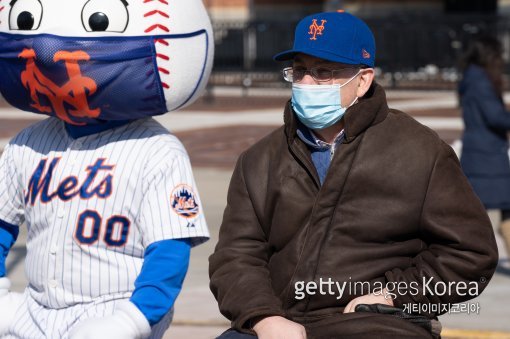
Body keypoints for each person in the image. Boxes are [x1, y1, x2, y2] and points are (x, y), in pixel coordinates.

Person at [209, 11, 498, 338]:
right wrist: (263, 318)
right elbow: (235, 256)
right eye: (300, 71)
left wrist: (394, 295)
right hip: (279, 323)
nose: (306, 84)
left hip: (378, 322)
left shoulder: (420, 152)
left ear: (362, 81)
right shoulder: (258, 160)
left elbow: (470, 253)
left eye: (323, 72)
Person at [0, 0, 213, 338]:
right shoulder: (25, 143)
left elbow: (169, 251)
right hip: (34, 313)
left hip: (113, 310)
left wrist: (132, 319)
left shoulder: (159, 150)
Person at [458, 35, 510, 258]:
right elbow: (495, 117)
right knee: (480, 213)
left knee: (483, 211)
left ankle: (466, 256)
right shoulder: (480, 81)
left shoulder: (471, 77)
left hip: (482, 152)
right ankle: (464, 257)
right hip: (487, 155)